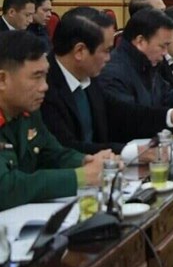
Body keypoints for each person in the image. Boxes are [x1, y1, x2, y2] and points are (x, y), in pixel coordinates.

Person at [40, 7, 173, 158]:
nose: (109, 58)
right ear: (80, 51)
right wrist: (131, 152)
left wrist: (170, 115)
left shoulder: (87, 77)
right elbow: (66, 148)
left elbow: (120, 112)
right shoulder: (44, 86)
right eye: (105, 50)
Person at [0, 30, 112, 210]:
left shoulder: (28, 111)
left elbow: (52, 153)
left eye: (45, 75)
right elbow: (5, 187)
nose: (45, 86)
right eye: (36, 76)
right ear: (2, 79)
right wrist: (80, 177)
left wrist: (86, 161)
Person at [97, 8, 173, 110]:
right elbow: (132, 118)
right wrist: (170, 118)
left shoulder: (147, 64)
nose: (165, 52)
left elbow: (167, 95)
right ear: (140, 41)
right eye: (162, 46)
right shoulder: (114, 73)